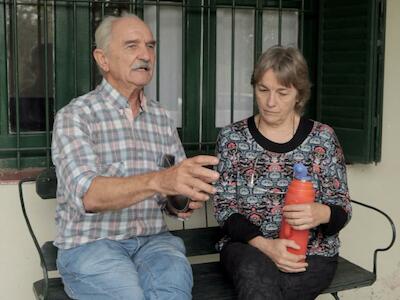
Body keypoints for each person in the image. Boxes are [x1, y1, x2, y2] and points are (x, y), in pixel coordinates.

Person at [51, 13, 219, 300]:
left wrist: (182, 199)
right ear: (102, 59)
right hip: (92, 245)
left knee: (173, 294)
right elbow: (89, 196)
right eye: (132, 46)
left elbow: (171, 192)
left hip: (155, 243)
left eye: (150, 46)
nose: (145, 55)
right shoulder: (75, 116)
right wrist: (161, 181)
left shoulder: (162, 118)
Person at [212, 46, 352, 300]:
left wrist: (322, 212)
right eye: (263, 90)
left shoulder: (323, 138)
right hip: (247, 248)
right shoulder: (232, 138)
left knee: (272, 288)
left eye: (282, 92)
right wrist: (267, 246)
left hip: (311, 252)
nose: (270, 102)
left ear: (299, 94)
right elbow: (224, 209)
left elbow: (342, 209)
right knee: (257, 278)